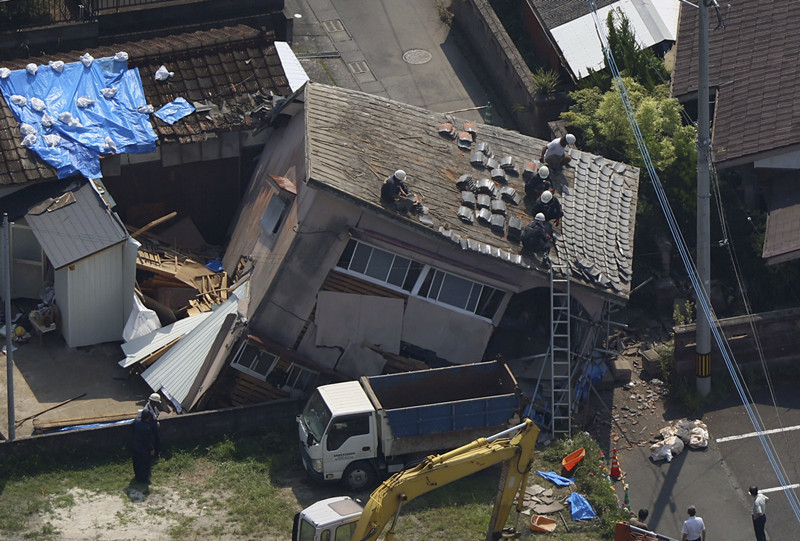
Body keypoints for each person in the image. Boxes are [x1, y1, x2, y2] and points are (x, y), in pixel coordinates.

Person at [132, 409, 159, 484]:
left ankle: (137, 477)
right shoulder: (147, 428)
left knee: (136, 463)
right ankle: (144, 479)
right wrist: (152, 449)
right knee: (145, 464)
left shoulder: (136, 422)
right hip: (144, 450)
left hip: (135, 447)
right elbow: (149, 440)